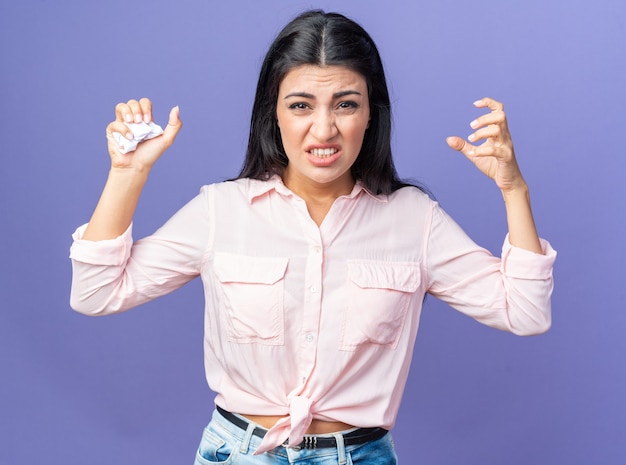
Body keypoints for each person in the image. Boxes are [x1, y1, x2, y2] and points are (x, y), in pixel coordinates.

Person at [69, 9, 556, 465]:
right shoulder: (222, 210)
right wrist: (127, 174)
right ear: (274, 114)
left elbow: (525, 312)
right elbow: (96, 293)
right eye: (301, 105)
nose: (323, 130)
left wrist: (514, 189)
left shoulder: (414, 218)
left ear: (371, 115)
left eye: (346, 104)